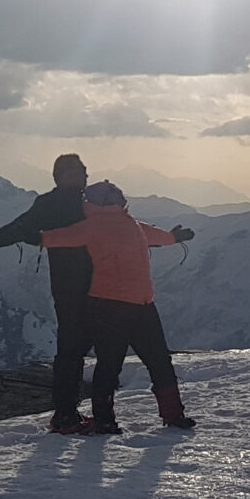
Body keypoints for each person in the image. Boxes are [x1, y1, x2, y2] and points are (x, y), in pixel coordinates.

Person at [35, 181, 198, 434]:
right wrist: (176, 237)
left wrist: (29, 235)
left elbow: (57, 238)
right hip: (140, 305)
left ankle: (105, 419)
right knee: (158, 361)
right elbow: (159, 237)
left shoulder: (100, 226)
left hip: (108, 306)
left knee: (110, 365)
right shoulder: (130, 224)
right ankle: (174, 414)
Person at [0, 154, 95, 433]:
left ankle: (74, 412)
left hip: (83, 284)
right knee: (75, 349)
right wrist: (3, 237)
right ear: (59, 177)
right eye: (72, 173)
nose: (78, 177)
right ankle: (69, 414)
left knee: (77, 349)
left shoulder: (75, 203)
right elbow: (26, 225)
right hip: (80, 285)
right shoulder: (80, 203)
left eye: (79, 172)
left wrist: (2, 237)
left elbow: (25, 225)